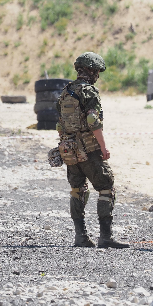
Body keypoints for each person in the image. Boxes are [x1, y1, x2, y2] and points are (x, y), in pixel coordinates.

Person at [56, 52, 129, 249]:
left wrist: (65, 147)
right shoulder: (89, 92)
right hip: (89, 150)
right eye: (97, 71)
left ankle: (80, 237)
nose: (97, 75)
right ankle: (105, 237)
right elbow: (92, 121)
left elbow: (60, 125)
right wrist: (103, 148)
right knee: (106, 187)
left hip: (70, 151)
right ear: (91, 71)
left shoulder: (65, 91)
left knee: (77, 190)